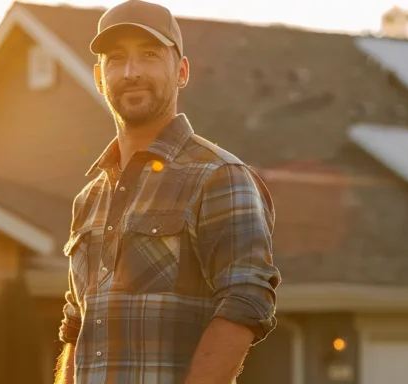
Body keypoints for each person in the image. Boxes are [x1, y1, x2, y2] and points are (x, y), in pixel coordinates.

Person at [54, 1, 281, 383]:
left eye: (149, 55)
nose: (131, 72)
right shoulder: (90, 198)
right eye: (116, 59)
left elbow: (246, 301)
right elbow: (77, 324)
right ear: (98, 76)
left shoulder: (221, 176)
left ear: (182, 71)